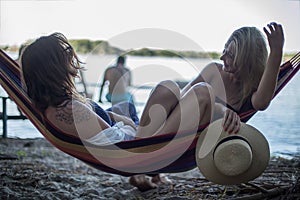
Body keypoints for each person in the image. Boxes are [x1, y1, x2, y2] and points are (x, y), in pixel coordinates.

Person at [20, 21, 284, 191]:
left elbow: (260, 101)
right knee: (184, 89)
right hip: (147, 146)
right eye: (225, 50)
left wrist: (276, 52)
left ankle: (150, 164)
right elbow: (185, 97)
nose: (223, 56)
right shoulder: (70, 110)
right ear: (53, 69)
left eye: (231, 52)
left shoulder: (57, 106)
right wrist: (220, 110)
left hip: (161, 140)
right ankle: (150, 166)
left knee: (177, 88)